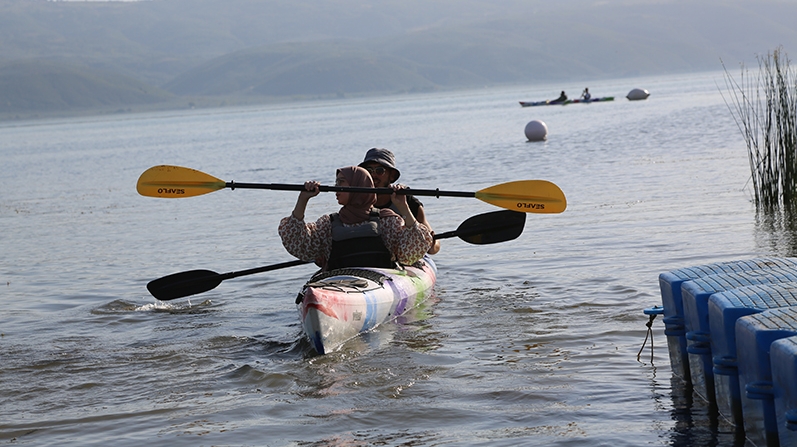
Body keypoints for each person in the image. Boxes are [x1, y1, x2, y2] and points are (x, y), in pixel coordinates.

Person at [278, 166, 433, 271]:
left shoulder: (387, 220)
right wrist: (303, 199)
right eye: (335, 183)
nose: (336, 188)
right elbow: (298, 243)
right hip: (338, 282)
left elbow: (413, 252)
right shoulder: (327, 224)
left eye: (341, 183)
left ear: (357, 185)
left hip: (381, 282)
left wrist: (403, 206)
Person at [358, 148, 441, 254]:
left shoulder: (407, 200)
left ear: (391, 175)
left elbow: (433, 248)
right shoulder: (357, 200)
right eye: (369, 171)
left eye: (380, 171)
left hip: (404, 255)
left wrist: (429, 242)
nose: (373, 175)